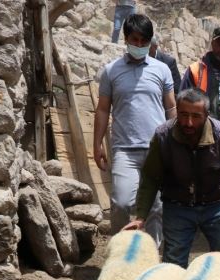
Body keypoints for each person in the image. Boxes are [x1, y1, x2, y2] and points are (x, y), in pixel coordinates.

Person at [126, 89, 220, 267]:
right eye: (183, 115)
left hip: (216, 206)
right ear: (177, 113)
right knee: (173, 265)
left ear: (207, 115)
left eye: (196, 116)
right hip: (177, 206)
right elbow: (150, 178)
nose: (189, 122)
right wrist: (141, 216)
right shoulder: (163, 136)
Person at [94, 14, 176, 247]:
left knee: (156, 207)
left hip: (157, 149)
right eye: (135, 39)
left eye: (144, 41)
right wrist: (97, 144)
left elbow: (171, 107)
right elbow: (102, 110)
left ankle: (150, 257)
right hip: (124, 150)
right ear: (126, 39)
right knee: (120, 202)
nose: (139, 45)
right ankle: (120, 253)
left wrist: (175, 142)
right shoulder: (111, 71)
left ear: (150, 42)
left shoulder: (162, 70)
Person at [181, 26, 220, 119]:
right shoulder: (195, 70)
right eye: (219, 45)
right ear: (212, 44)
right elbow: (183, 103)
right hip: (203, 128)